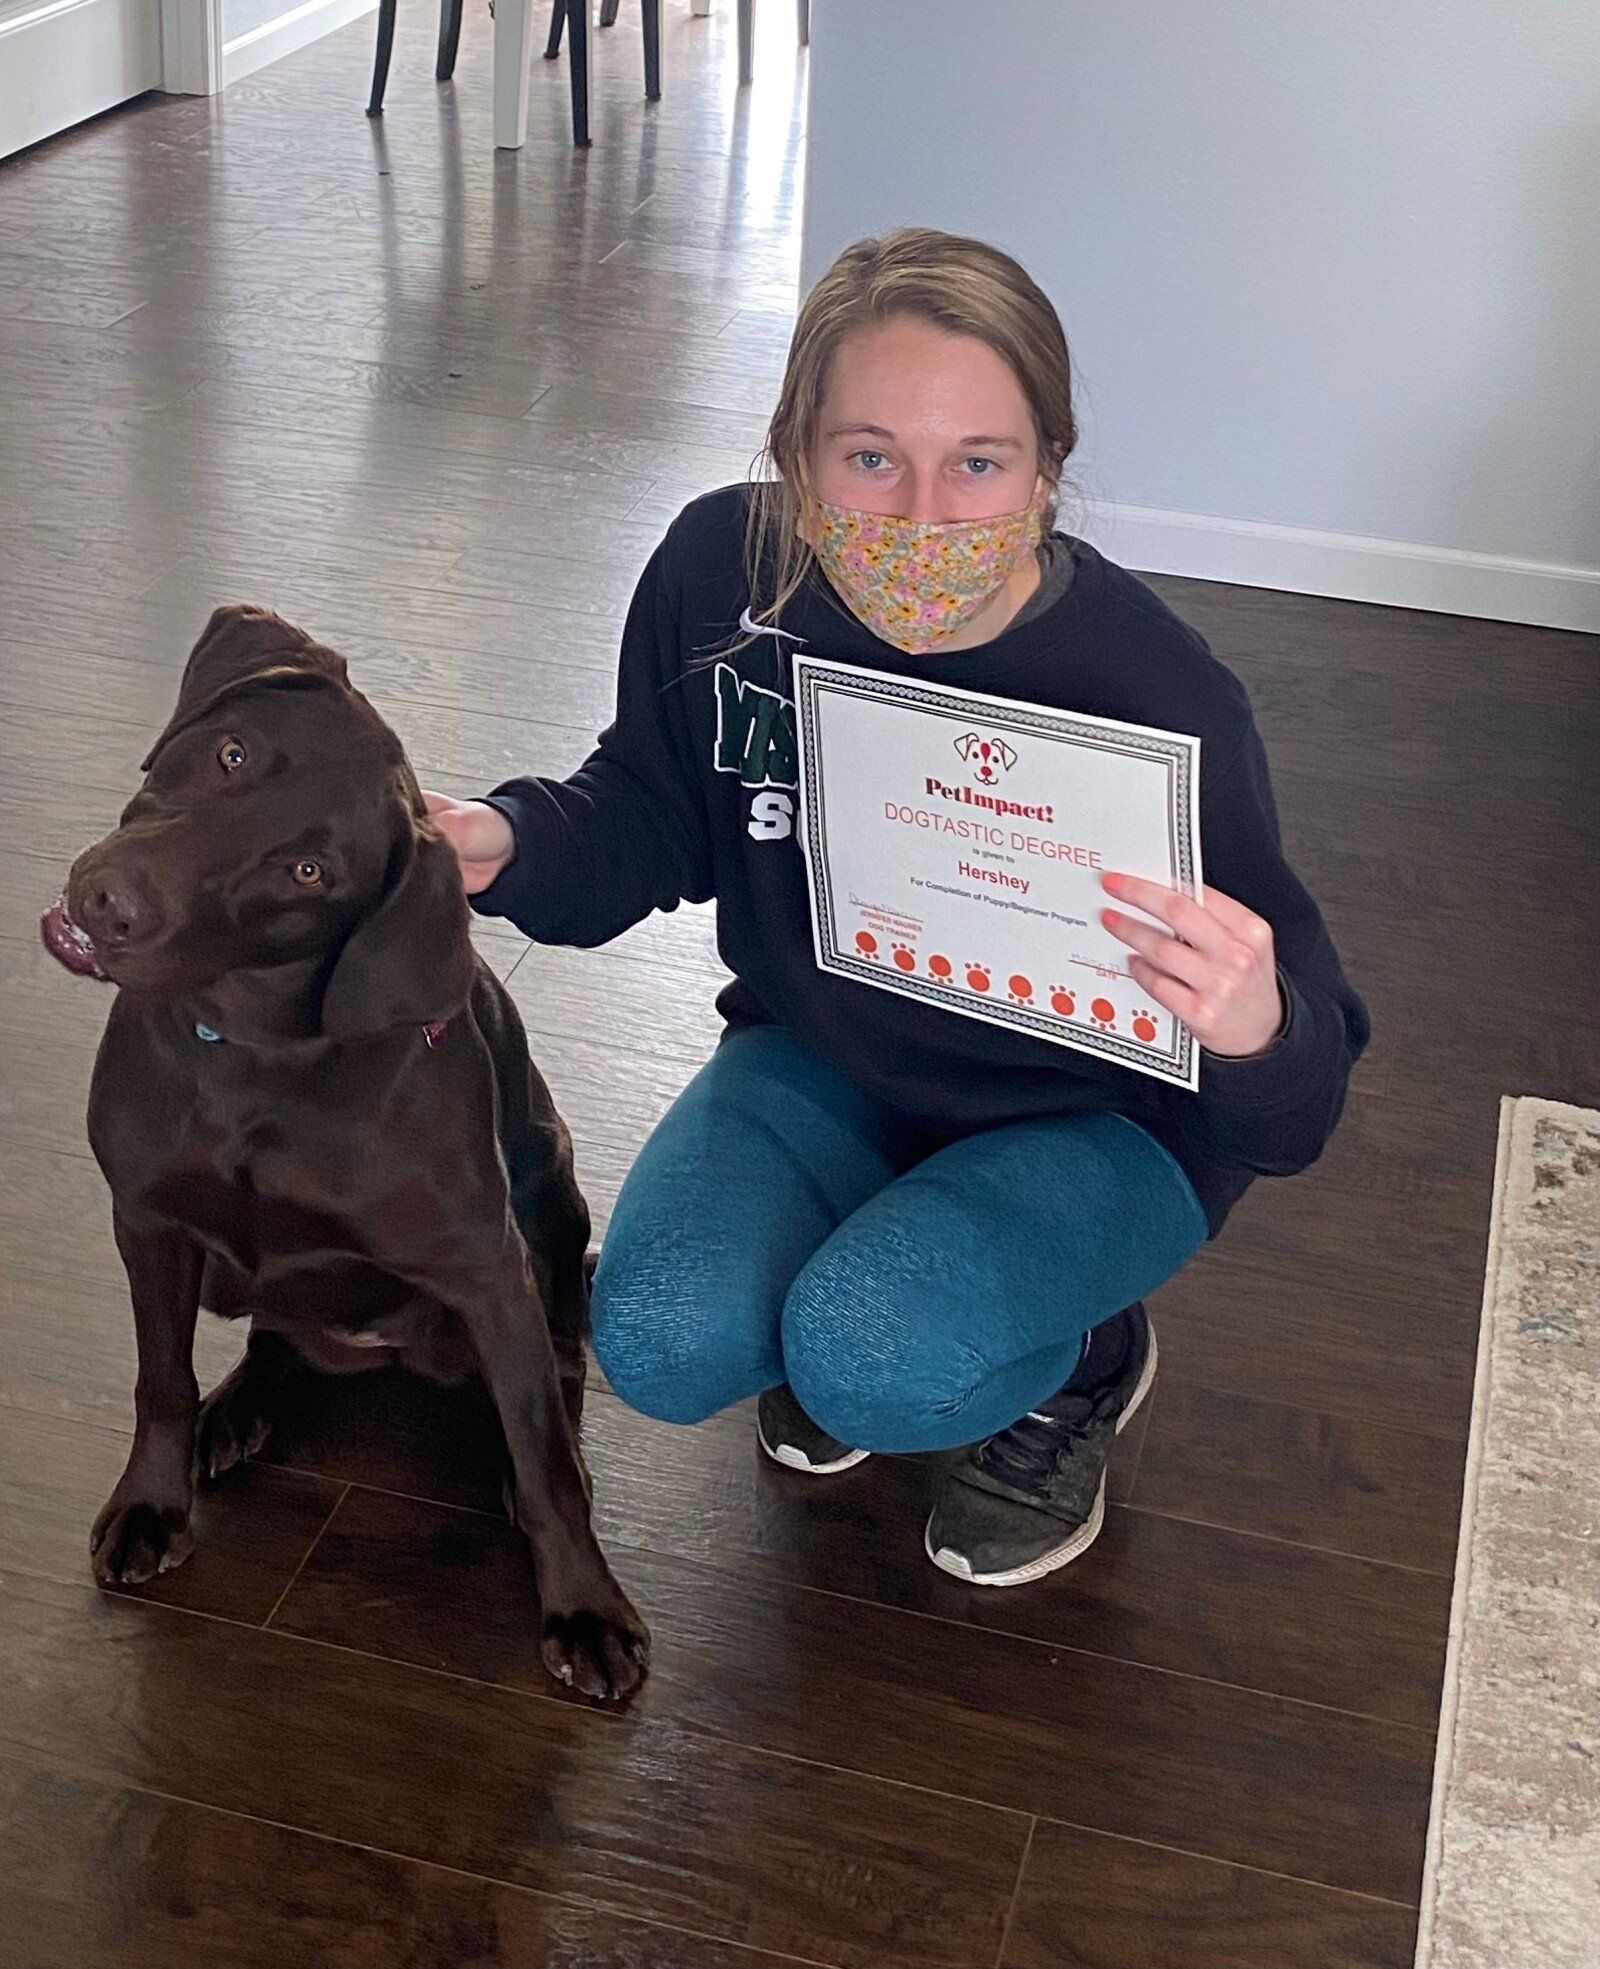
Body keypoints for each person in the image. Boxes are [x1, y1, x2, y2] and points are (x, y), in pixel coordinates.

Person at [425, 227, 1368, 1587]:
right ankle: (866, 1275)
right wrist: (505, 840)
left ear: (1049, 471)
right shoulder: (721, 575)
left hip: (1099, 1114)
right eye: (869, 457)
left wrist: (1257, 1025)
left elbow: (1302, 1107)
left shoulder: (1164, 697)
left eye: (977, 464)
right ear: (795, 456)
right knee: (660, 1337)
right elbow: (649, 809)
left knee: (873, 1356)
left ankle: (1083, 1357)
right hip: (829, 1051)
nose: (922, 517)